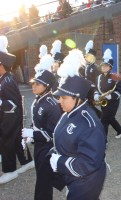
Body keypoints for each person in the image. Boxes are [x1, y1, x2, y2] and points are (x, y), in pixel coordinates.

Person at [49, 49, 106, 199]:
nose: (59, 101)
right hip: (74, 176)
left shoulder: (89, 123)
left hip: (86, 180)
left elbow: (89, 163)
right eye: (59, 97)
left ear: (78, 98)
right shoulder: (69, 112)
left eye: (64, 97)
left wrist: (60, 162)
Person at [21, 54, 63, 200]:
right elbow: (37, 124)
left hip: (47, 148)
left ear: (47, 87)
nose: (33, 86)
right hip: (39, 146)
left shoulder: (51, 105)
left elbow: (51, 134)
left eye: (37, 84)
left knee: (44, 181)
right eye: (34, 83)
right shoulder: (38, 101)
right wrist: (29, 136)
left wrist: (32, 134)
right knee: (41, 178)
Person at [0, 35, 33, 184]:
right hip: (7, 116)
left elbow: (14, 104)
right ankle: (26, 162)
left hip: (10, 116)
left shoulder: (7, 80)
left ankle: (10, 171)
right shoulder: (5, 78)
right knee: (16, 140)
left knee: (7, 141)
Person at [94, 49, 121, 139]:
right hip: (103, 101)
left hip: (113, 102)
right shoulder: (99, 77)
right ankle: (120, 130)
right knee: (110, 118)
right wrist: (96, 94)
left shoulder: (116, 77)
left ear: (110, 67)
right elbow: (96, 88)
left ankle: (103, 140)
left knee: (104, 120)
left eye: (105, 66)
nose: (103, 67)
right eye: (102, 65)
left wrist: (111, 96)